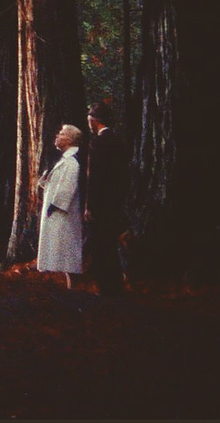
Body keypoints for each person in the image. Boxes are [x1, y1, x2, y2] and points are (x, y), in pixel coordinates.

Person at [83, 101, 127, 295]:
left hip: (100, 204)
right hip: (115, 202)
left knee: (101, 246)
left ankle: (104, 286)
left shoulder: (97, 143)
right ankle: (115, 284)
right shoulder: (119, 141)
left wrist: (89, 206)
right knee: (110, 243)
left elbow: (94, 178)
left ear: (94, 120)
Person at [36, 123, 86, 288]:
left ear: (70, 140)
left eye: (62, 134)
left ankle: (73, 285)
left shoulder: (72, 163)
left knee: (65, 250)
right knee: (58, 249)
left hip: (62, 214)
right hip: (56, 212)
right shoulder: (65, 160)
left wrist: (56, 205)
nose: (57, 136)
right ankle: (65, 285)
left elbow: (67, 188)